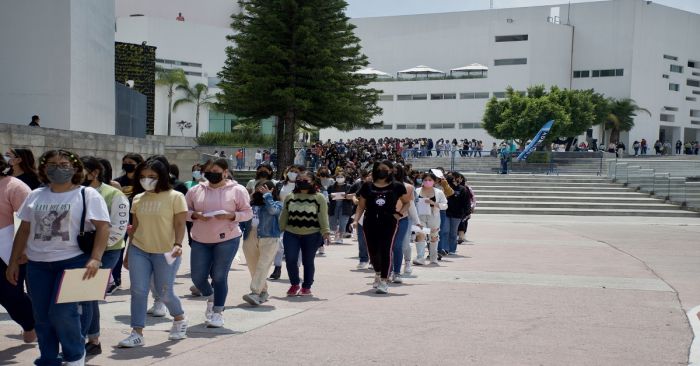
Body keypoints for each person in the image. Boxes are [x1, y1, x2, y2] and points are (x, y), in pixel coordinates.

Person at [7, 149, 110, 366]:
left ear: (75, 168)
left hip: (73, 260)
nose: (58, 168)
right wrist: (13, 260)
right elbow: (24, 230)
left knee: (62, 312)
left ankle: (74, 355)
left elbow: (103, 227)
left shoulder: (87, 194)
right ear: (43, 168)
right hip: (38, 264)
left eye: (64, 164)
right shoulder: (36, 195)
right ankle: (48, 357)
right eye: (52, 164)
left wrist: (96, 258)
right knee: (42, 316)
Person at [118, 158, 188, 347]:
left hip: (166, 251)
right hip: (139, 250)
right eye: (143, 176)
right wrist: (127, 253)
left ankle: (179, 319)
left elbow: (180, 223)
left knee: (164, 293)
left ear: (162, 177)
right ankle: (137, 332)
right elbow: (135, 228)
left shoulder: (175, 197)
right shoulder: (138, 199)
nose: (146, 179)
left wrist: (178, 243)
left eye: (152, 176)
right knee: (138, 291)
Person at [185, 159, 252, 327]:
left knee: (219, 276)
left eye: (215, 170)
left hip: (227, 238)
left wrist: (232, 216)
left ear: (225, 172)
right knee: (198, 277)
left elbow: (247, 213)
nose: (211, 173)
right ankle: (211, 295)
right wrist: (195, 215)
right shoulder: (195, 190)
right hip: (200, 238)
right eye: (208, 170)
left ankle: (218, 312)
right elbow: (184, 212)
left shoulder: (238, 190)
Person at [78, 156, 130, 356]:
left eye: (80, 170)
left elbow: (119, 227)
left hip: (107, 251)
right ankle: (93, 339)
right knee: (87, 296)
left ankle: (83, 340)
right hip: (80, 250)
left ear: (94, 172)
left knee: (87, 294)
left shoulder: (114, 194)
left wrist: (97, 248)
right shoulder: (74, 192)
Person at [354, 160, 410, 294]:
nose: (381, 171)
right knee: (373, 251)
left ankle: (384, 280)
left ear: (391, 170)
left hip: (389, 221)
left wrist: (399, 214)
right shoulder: (367, 186)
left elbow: (407, 203)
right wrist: (356, 220)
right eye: (378, 168)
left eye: (385, 168)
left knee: (386, 249)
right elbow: (361, 206)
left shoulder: (397, 186)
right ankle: (377, 273)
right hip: (370, 221)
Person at [0, 157, 36, 344]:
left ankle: (30, 323)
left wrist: (26, 250)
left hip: (8, 252)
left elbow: (30, 221)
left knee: (10, 295)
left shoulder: (15, 187)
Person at [278, 171, 330, 296]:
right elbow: (284, 215)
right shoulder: (290, 196)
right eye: (299, 179)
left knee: (308, 261)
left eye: (305, 180)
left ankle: (307, 286)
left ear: (313, 182)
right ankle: (294, 284)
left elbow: (323, 216)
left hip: (312, 234)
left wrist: (326, 232)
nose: (302, 182)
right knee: (290, 259)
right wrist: (278, 229)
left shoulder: (319, 198)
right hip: (291, 233)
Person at [241, 180, 281, 305]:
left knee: (262, 265)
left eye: (264, 188)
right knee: (253, 266)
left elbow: (273, 211)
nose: (260, 190)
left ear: (272, 190)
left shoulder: (277, 203)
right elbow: (243, 219)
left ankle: (255, 292)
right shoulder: (250, 204)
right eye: (259, 187)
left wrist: (267, 196)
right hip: (250, 236)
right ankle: (263, 292)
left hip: (269, 237)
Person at [109, 153, 144, 294]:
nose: (127, 164)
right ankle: (115, 279)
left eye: (130, 162)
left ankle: (140, 281)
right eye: (125, 162)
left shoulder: (143, 182)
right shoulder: (117, 182)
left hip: (140, 220)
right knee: (118, 249)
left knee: (138, 251)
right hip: (122, 221)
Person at [269, 165, 304, 279]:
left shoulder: (302, 185)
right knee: (278, 242)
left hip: (297, 217)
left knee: (297, 245)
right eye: (291, 171)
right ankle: (277, 267)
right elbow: (275, 199)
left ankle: (296, 268)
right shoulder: (279, 184)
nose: (293, 173)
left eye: (296, 171)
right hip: (280, 216)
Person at [413, 172, 447, 266]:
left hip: (434, 216)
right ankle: (420, 257)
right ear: (422, 181)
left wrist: (434, 203)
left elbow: (445, 205)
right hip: (420, 216)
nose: (427, 182)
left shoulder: (439, 192)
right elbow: (412, 203)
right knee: (420, 234)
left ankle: (433, 257)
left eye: (430, 180)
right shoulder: (417, 191)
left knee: (433, 236)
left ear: (434, 181)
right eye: (425, 180)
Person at [444, 172, 471, 255]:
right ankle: (445, 248)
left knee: (453, 232)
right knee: (445, 231)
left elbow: (466, 202)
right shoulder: (445, 188)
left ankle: (452, 249)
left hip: (457, 214)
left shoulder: (463, 189)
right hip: (446, 212)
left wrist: (466, 212)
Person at [327, 172, 353, 244]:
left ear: (345, 178)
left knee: (343, 221)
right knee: (333, 221)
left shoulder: (349, 186)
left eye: (341, 177)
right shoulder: (331, 187)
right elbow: (327, 196)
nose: (340, 178)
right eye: (338, 176)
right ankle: (336, 234)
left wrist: (346, 195)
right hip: (334, 205)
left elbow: (352, 195)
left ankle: (340, 236)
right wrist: (330, 196)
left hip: (345, 205)